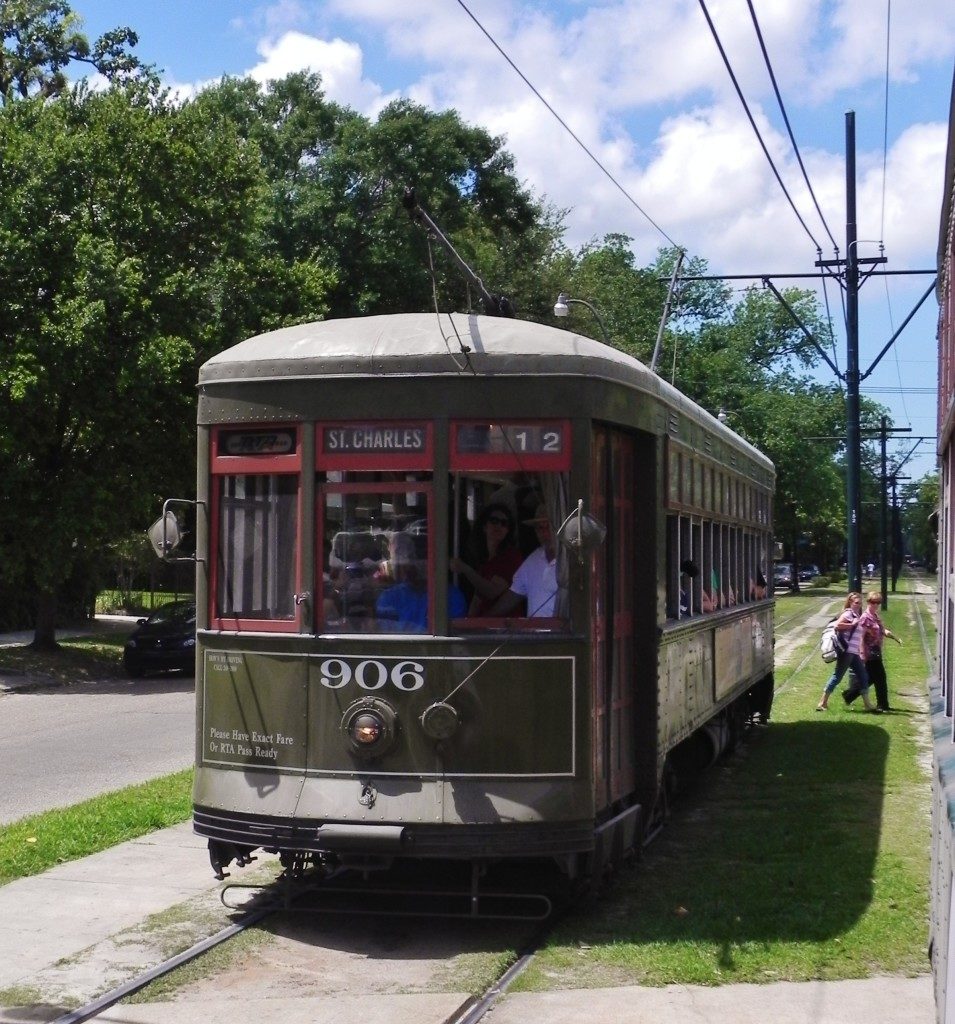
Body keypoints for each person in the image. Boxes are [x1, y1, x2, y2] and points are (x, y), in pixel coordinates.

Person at [450, 503, 524, 616]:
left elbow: (492, 591)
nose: (499, 525)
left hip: (505, 628)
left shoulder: (512, 557)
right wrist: (468, 624)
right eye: (494, 521)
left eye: (504, 523)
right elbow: (477, 599)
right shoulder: (484, 562)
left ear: (508, 530)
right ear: (484, 526)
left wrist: (466, 569)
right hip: (484, 629)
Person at [489, 504, 559, 618]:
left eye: (548, 527)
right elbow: (513, 594)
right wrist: (487, 618)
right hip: (535, 634)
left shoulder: (569, 560)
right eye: (540, 528)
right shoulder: (533, 559)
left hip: (564, 634)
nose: (544, 533)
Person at [816, 592, 880, 712]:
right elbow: (837, 625)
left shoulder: (856, 614)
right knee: (837, 676)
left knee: (863, 676)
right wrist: (851, 624)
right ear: (850, 602)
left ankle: (867, 704)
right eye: (856, 603)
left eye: (860, 603)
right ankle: (822, 702)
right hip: (847, 651)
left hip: (853, 652)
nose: (858, 605)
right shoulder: (848, 613)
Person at [843, 592, 902, 711]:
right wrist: (862, 653)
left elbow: (880, 629)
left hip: (876, 650)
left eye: (878, 603)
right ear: (868, 602)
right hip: (869, 652)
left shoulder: (875, 615)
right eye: (873, 602)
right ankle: (882, 705)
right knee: (879, 678)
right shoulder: (865, 617)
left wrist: (893, 636)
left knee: (871, 678)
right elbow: (861, 636)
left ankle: (849, 695)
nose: (875, 605)